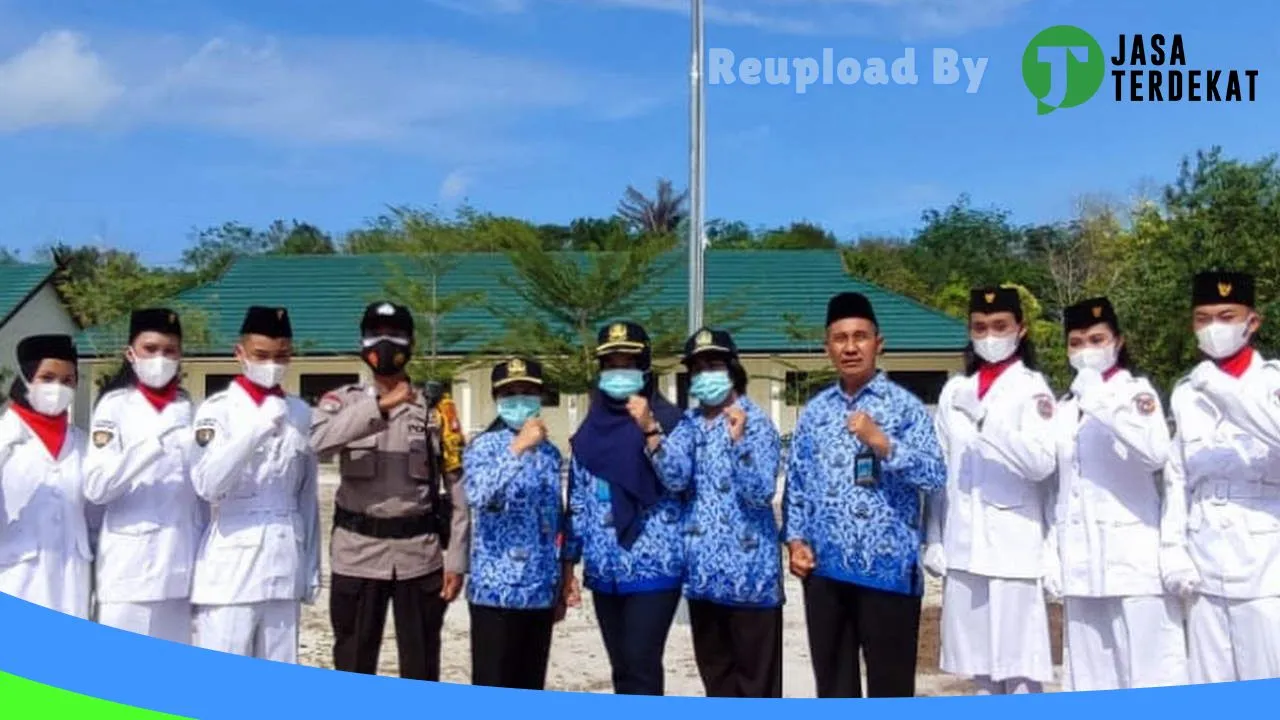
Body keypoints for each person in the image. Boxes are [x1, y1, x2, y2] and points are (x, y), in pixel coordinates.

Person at [782, 293, 947, 698]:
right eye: (840, 338)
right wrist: (795, 540)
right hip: (825, 571)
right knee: (834, 685)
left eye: (860, 336)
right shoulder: (816, 411)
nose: (850, 347)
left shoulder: (906, 408)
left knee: (890, 687)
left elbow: (934, 474)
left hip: (888, 571)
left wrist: (884, 444)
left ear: (879, 342)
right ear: (827, 348)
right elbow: (798, 484)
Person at [309, 301, 469, 681]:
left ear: (411, 342)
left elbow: (459, 488)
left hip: (420, 556)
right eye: (375, 332)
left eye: (395, 333)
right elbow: (314, 443)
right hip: (357, 553)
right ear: (362, 341)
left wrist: (457, 559)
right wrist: (379, 407)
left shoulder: (436, 409)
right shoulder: (342, 402)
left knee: (421, 662)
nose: (384, 342)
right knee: (353, 660)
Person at [1046, 297, 1188, 690]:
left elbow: (1155, 451)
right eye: (1076, 342)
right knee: (1091, 680)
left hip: (1132, 561)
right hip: (1081, 563)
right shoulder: (1065, 406)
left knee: (1151, 676)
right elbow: (1060, 486)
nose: (1086, 349)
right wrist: (1054, 555)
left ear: (1118, 342)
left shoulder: (1136, 393)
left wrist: (1098, 398)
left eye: (1096, 338)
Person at [924, 286, 1057, 694]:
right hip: (964, 546)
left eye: (1000, 326)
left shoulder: (1032, 389)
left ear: (1021, 330)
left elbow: (1041, 463)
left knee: (1019, 670)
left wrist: (986, 421)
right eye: (980, 327)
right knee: (977, 669)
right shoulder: (954, 391)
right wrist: (933, 537)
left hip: (1013, 548)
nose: (989, 335)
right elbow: (940, 471)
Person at [650, 327, 783, 697]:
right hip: (703, 580)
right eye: (698, 367)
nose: (705, 373)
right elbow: (675, 479)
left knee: (756, 687)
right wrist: (651, 435)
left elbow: (760, 492)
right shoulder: (689, 424)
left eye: (714, 364)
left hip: (750, 582)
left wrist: (739, 442)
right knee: (717, 682)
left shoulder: (757, 424)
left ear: (732, 368)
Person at [188, 305, 321, 663]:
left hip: (284, 558)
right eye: (262, 356)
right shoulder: (217, 411)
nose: (272, 364)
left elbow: (306, 495)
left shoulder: (300, 412)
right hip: (232, 563)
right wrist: (256, 429)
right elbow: (207, 483)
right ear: (240, 354)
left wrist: (310, 565)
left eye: (282, 356)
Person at [1165, 270, 1280, 683]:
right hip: (1205, 559)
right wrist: (1172, 548)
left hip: (1267, 564)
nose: (1214, 327)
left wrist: (1224, 392)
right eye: (1203, 317)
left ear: (1252, 321)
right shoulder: (1186, 391)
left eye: (1226, 315)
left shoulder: (1273, 382)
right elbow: (1176, 477)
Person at [562, 320, 685, 695]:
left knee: (641, 663)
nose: (619, 371)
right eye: (611, 362)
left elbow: (679, 479)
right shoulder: (590, 431)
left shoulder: (673, 422)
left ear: (645, 365)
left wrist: (649, 429)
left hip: (654, 566)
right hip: (604, 570)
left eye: (628, 362)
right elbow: (579, 502)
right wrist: (569, 563)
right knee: (621, 670)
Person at [83, 308, 206, 644]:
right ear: (131, 354)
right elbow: (96, 487)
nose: (160, 358)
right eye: (150, 349)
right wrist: (152, 443)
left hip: (180, 566)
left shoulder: (189, 409)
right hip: (129, 570)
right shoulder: (114, 406)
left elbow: (200, 493)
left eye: (170, 351)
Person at [462, 357, 565, 690]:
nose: (519, 399)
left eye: (527, 392)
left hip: (539, 591)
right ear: (497, 399)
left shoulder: (550, 453)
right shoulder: (484, 447)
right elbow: (479, 495)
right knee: (493, 685)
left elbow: (555, 519)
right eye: (510, 393)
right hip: (496, 592)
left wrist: (562, 578)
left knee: (530, 684)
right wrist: (518, 447)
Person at [0, 334, 94, 619]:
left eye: (68, 380)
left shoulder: (84, 443)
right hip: (17, 575)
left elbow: (97, 514)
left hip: (73, 579)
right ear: (28, 379)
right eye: (48, 377)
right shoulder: (5, 437)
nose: (58, 387)